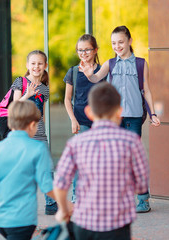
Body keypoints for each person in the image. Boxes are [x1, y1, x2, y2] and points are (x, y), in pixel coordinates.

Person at [80, 25, 161, 213]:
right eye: (114, 43)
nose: (117, 46)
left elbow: (146, 90)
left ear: (130, 41)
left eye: (121, 42)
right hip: (113, 119)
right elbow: (95, 78)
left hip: (133, 118)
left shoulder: (141, 64)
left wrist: (153, 114)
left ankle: (143, 199)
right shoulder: (110, 63)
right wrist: (88, 74)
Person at [54, 82, 149, 240]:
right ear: (120, 111)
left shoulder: (76, 143)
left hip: (84, 224)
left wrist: (64, 210)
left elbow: (60, 184)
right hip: (118, 226)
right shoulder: (132, 141)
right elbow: (141, 186)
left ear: (89, 112)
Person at [0, 100, 56, 240]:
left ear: (9, 123)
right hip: (22, 220)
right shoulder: (38, 149)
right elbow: (47, 187)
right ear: (33, 125)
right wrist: (65, 205)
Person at [11, 50, 57, 215]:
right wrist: (27, 94)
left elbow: (41, 114)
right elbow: (14, 107)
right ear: (27, 65)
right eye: (33, 63)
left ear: (45, 66)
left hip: (39, 135)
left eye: (40, 64)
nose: (36, 66)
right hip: (22, 135)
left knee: (48, 168)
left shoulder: (45, 89)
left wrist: (43, 132)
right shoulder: (20, 81)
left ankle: (51, 203)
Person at [63, 34, 106, 203]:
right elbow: (67, 99)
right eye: (80, 50)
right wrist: (73, 120)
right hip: (81, 122)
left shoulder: (102, 71)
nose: (84, 53)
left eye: (87, 49)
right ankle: (77, 196)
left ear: (95, 50)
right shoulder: (73, 72)